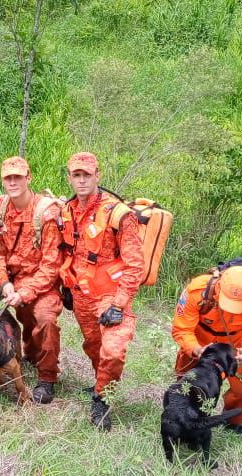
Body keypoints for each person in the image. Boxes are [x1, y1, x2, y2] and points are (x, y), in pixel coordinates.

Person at [59, 152, 145, 430]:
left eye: (87, 174)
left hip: (110, 296)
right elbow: (64, 251)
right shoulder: (67, 210)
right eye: (76, 175)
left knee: (113, 350)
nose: (82, 180)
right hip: (81, 294)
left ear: (98, 176)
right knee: (94, 346)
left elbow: (135, 265)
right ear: (70, 178)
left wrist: (119, 304)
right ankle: (100, 382)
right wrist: (65, 286)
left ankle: (102, 400)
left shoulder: (118, 214)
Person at [0, 156, 64, 404]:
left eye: (18, 177)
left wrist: (26, 292)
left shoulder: (45, 213)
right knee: (27, 320)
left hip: (43, 281)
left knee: (46, 320)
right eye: (8, 178)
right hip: (14, 281)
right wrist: (4, 283)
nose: (13, 182)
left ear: (28, 178)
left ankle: (47, 378)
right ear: (2, 180)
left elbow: (52, 264)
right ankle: (31, 353)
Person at [171, 261, 242, 443]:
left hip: (237, 348)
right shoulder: (198, 290)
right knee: (187, 384)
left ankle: (233, 423)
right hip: (201, 342)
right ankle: (185, 419)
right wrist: (196, 349)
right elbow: (182, 329)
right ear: (219, 284)